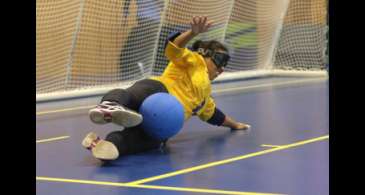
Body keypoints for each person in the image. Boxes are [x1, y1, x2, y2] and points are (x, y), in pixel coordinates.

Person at [82, 16, 251, 161]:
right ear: (204, 53)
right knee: (134, 95)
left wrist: (235, 125)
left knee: (148, 142)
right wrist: (193, 33)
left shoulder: (204, 98)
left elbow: (215, 115)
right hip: (159, 91)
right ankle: (109, 105)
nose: (222, 69)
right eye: (220, 60)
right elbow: (173, 48)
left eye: (225, 64)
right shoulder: (192, 60)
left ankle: (107, 145)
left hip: (163, 125)